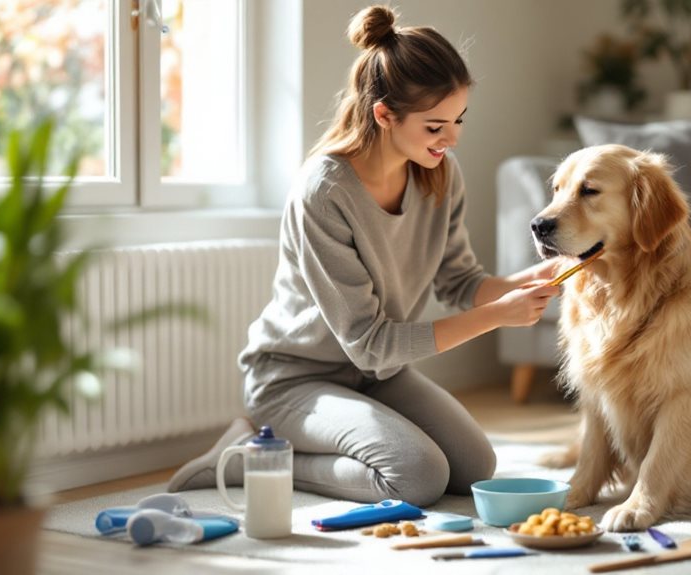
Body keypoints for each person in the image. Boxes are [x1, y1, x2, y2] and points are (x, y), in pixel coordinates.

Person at [167, 5, 561, 507]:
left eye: (458, 120)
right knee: (417, 477)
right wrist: (494, 318)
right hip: (293, 380)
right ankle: (254, 454)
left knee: (474, 467)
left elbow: (459, 281)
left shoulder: (439, 171)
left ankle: (275, 449)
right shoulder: (323, 192)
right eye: (435, 125)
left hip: (374, 377)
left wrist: (536, 277)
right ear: (384, 115)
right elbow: (369, 343)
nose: (452, 137)